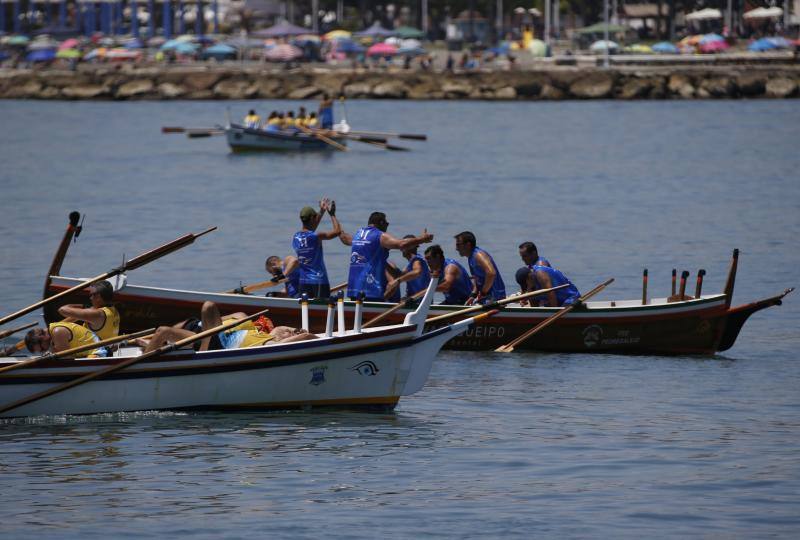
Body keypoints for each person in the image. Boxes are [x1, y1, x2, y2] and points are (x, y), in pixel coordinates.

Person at [142, 301, 316, 353]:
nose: (289, 331)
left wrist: (314, 337)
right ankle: (147, 353)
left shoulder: (269, 343)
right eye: (289, 329)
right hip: (205, 333)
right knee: (162, 331)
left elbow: (304, 337)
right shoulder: (246, 322)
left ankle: (202, 349)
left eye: (290, 333)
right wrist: (204, 325)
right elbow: (285, 329)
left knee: (209, 306)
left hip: (214, 345)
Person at [340, 212, 433, 302]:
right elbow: (401, 244)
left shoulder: (357, 235)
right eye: (387, 224)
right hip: (371, 291)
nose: (387, 227)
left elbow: (343, 237)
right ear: (381, 223)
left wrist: (333, 216)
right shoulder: (380, 235)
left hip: (353, 290)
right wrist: (422, 239)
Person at [291, 199, 341, 299]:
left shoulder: (296, 237)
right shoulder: (316, 236)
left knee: (306, 310)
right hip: (319, 281)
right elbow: (337, 231)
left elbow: (310, 228)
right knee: (323, 311)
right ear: (313, 218)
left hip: (303, 282)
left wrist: (321, 211)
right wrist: (332, 214)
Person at [454, 231, 506, 304]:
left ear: (468, 245)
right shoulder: (470, 258)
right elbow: (476, 279)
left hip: (495, 297)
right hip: (486, 297)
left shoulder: (478, 255)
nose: (456, 248)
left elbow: (491, 273)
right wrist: (473, 295)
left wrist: (483, 293)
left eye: (458, 245)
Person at [385, 235, 432, 300]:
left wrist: (397, 281)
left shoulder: (417, 260)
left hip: (419, 301)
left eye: (403, 246)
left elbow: (417, 271)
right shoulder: (411, 264)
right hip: (413, 299)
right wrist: (384, 262)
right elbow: (398, 275)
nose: (401, 249)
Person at [24, 323, 106, 357]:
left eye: (42, 349)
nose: (43, 351)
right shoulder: (53, 330)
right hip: (90, 352)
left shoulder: (57, 332)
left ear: (43, 338)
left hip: (98, 352)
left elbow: (66, 358)